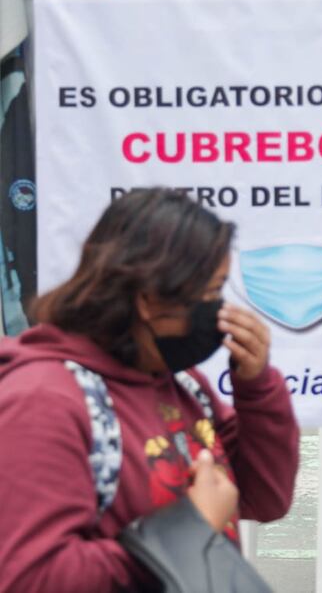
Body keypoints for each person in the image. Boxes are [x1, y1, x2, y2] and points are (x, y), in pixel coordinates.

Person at [0, 189, 299, 591]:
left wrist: (257, 387)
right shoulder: (44, 400)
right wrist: (186, 531)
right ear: (148, 300)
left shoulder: (180, 383)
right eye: (210, 294)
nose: (221, 312)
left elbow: (266, 497)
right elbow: (32, 578)